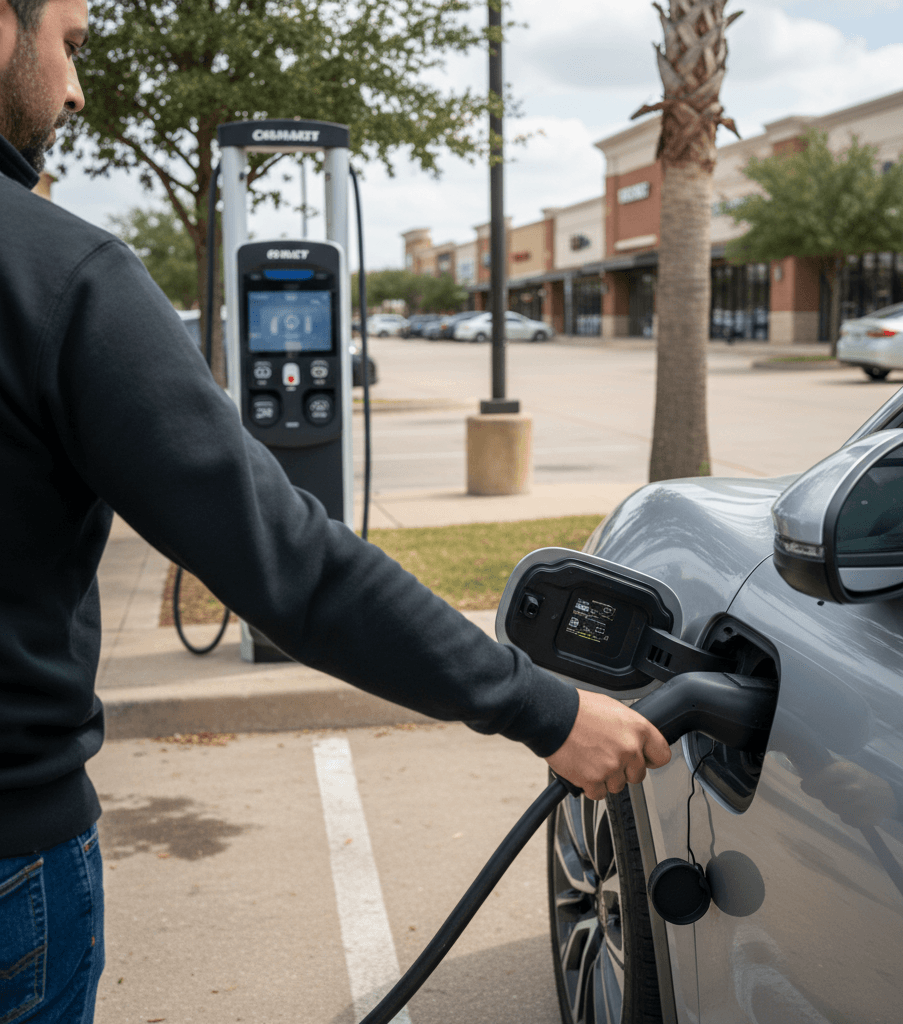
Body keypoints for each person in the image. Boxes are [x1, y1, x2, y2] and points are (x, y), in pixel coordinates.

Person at [0, 2, 672, 1021]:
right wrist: (549, 709)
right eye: (71, 44)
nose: (77, 88)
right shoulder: (57, 274)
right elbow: (291, 563)